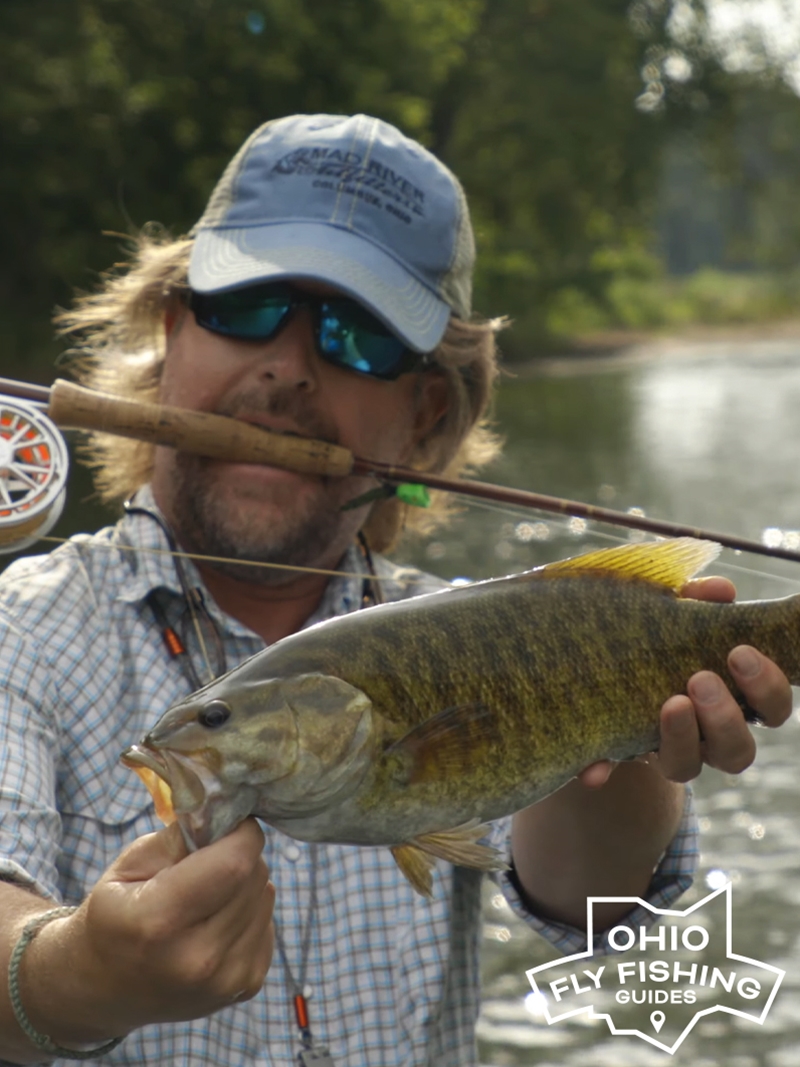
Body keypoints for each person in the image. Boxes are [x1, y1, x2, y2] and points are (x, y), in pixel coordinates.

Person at [0, 113, 791, 1067]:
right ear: (170, 334)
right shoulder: (23, 631)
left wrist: (617, 737)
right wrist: (77, 972)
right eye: (246, 306)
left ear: (425, 415)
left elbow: (599, 919)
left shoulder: (471, 616)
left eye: (357, 336)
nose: (287, 367)